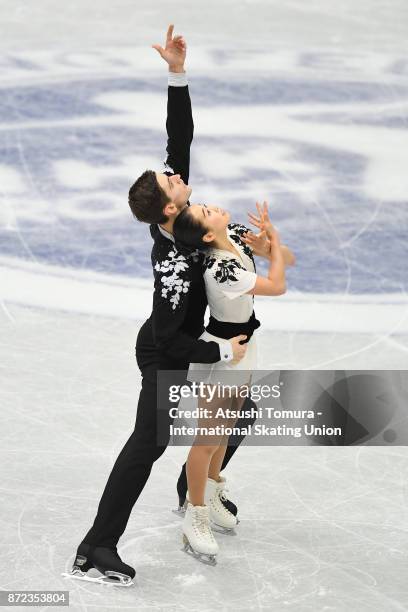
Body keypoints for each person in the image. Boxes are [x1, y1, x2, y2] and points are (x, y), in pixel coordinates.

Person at [63, 24, 260, 587]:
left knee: (240, 411)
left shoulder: (187, 216)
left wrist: (176, 73)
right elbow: (174, 341)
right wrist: (220, 347)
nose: (175, 173)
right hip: (166, 351)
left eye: (170, 174)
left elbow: (180, 140)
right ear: (168, 211)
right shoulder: (174, 262)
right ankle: (95, 548)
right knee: (148, 442)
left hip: (185, 341)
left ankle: (190, 485)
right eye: (168, 180)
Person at [173, 200, 295, 564]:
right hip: (223, 352)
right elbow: (277, 285)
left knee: (226, 429)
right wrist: (272, 249)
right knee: (207, 438)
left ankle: (211, 493)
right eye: (206, 212)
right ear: (209, 234)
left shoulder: (237, 238)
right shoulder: (221, 268)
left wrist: (271, 242)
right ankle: (194, 516)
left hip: (245, 345)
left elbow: (287, 260)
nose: (212, 206)